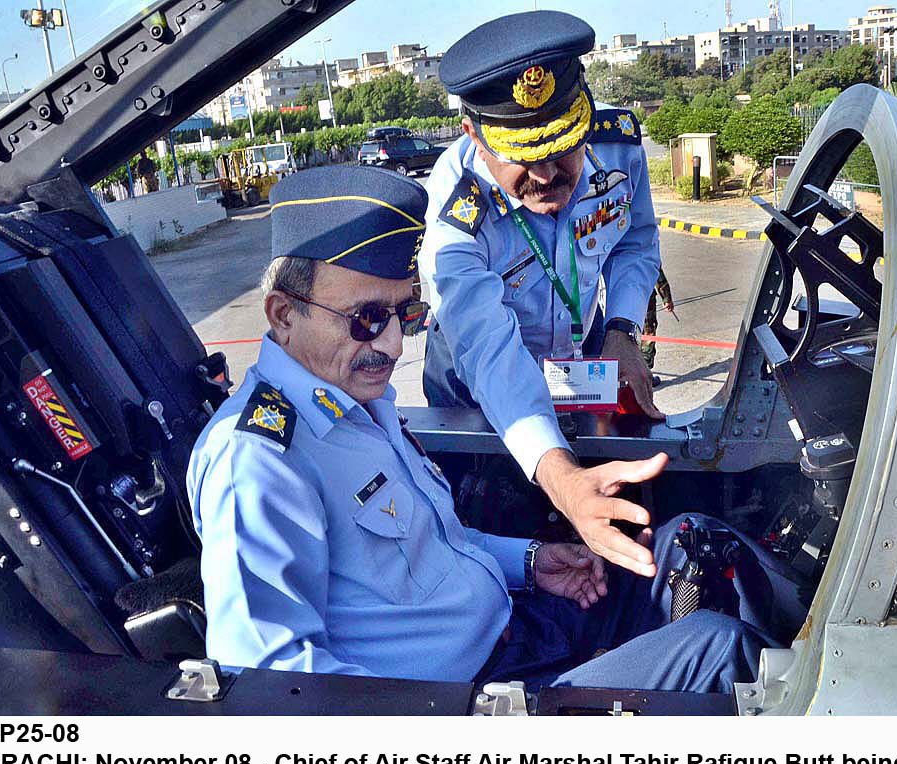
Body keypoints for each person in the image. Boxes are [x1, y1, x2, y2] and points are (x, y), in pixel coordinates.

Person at [187, 166, 778, 692]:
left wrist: (531, 561)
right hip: (474, 703)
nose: (393, 345)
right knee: (718, 651)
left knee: (691, 544)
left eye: (406, 314)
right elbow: (267, 682)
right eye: (367, 320)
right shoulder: (259, 459)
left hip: (520, 629)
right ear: (284, 314)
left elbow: (435, 547)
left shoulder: (358, 404)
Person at [419, 11, 667, 576]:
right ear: (475, 138)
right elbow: (490, 356)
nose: (549, 174)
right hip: (476, 395)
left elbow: (636, 242)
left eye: (563, 148)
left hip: (581, 364)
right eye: (523, 157)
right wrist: (564, 482)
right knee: (490, 516)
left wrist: (621, 331)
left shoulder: (619, 149)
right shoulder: (458, 211)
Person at [641, 267, 676, 373]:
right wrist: (666, 298)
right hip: (644, 295)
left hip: (619, 298)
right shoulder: (646, 250)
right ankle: (645, 374)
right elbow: (656, 272)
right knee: (648, 333)